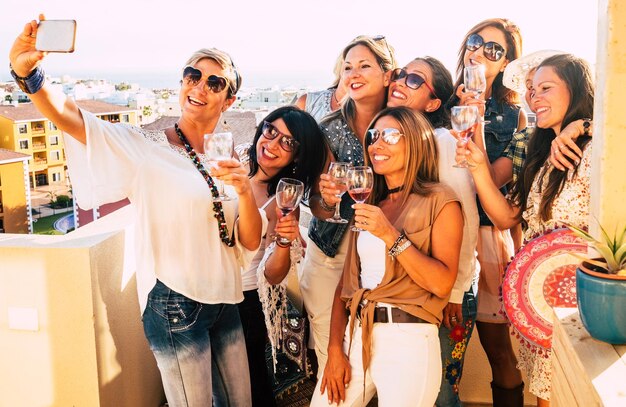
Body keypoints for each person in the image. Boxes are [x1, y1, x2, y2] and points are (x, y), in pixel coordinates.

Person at [10, 16, 266, 406]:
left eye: (214, 83)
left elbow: (248, 240)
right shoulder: (147, 149)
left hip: (225, 300)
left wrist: (245, 191)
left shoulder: (226, 157)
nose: (199, 86)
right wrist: (28, 74)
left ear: (229, 100)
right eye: (191, 75)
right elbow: (73, 119)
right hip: (176, 303)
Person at [457, 54, 594, 407]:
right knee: (543, 396)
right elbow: (505, 216)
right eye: (531, 90)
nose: (534, 97)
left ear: (576, 90)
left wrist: (585, 125)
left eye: (545, 88)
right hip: (541, 302)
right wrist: (476, 165)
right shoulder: (537, 150)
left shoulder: (598, 146)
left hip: (585, 302)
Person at [311, 106, 464, 406]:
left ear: (417, 142)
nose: (377, 144)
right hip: (356, 335)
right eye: (374, 135)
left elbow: (442, 284)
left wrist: (390, 235)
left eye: (391, 135)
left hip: (408, 340)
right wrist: (334, 350)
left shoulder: (441, 201)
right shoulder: (369, 202)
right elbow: (346, 289)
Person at [300, 35, 397, 378]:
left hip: (383, 254)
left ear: (388, 75)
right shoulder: (326, 128)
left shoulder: (402, 126)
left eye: (364, 65)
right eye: (347, 67)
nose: (353, 73)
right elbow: (313, 203)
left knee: (378, 351)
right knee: (332, 355)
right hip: (330, 254)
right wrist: (326, 198)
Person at [387, 56, 479, 406]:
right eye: (400, 75)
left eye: (414, 80)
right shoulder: (392, 142)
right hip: (414, 287)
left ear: (434, 103)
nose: (399, 82)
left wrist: (455, 292)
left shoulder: (441, 141)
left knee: (441, 392)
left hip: (449, 292)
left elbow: (466, 217)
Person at [449, 18, 526, 406]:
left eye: (494, 50)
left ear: (506, 64)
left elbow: (493, 182)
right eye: (476, 42)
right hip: (439, 235)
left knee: (498, 350)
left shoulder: (514, 118)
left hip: (485, 237)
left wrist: (475, 118)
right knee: (443, 347)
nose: (480, 52)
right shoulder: (434, 100)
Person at [237, 106, 327, 406]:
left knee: (251, 389)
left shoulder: (283, 202)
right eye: (270, 131)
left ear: (297, 157)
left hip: (245, 303)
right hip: (204, 294)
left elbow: (274, 275)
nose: (272, 144)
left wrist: (286, 242)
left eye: (287, 142)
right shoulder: (230, 167)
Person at [295, 53, 347, 122]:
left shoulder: (365, 112)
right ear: (340, 67)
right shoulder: (307, 103)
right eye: (348, 67)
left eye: (364, 66)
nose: (355, 73)